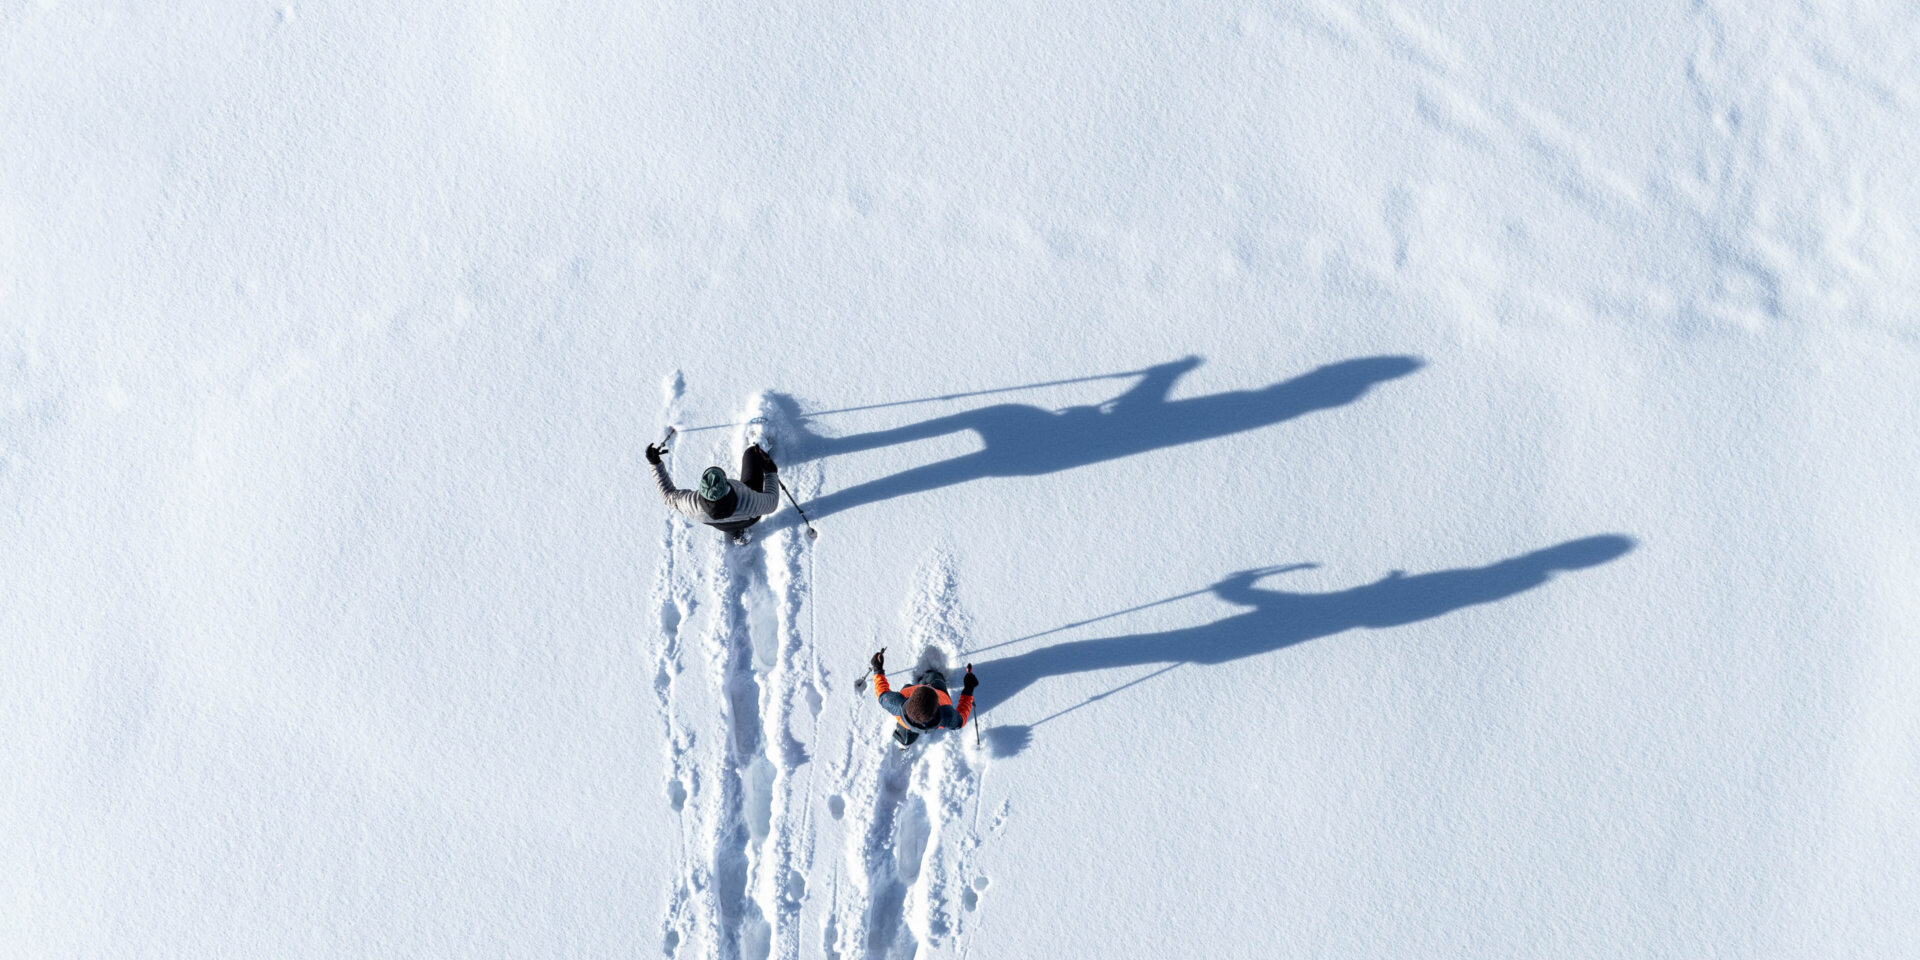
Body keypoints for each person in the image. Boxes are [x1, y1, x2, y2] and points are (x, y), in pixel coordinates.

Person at [646, 441, 780, 544]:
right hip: (749, 519)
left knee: (729, 526)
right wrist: (770, 473)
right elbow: (772, 502)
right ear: (726, 483)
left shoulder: (693, 505)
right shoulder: (748, 500)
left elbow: (667, 495)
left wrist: (655, 463)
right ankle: (763, 447)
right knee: (751, 453)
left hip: (722, 525)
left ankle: (738, 535)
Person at [869, 650, 976, 748]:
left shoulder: (896, 704)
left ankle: (905, 738)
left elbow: (882, 693)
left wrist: (877, 670)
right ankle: (933, 676)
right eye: (930, 689)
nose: (928, 686)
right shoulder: (946, 715)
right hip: (938, 687)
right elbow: (961, 720)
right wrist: (968, 691)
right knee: (935, 677)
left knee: (906, 732)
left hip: (906, 723)